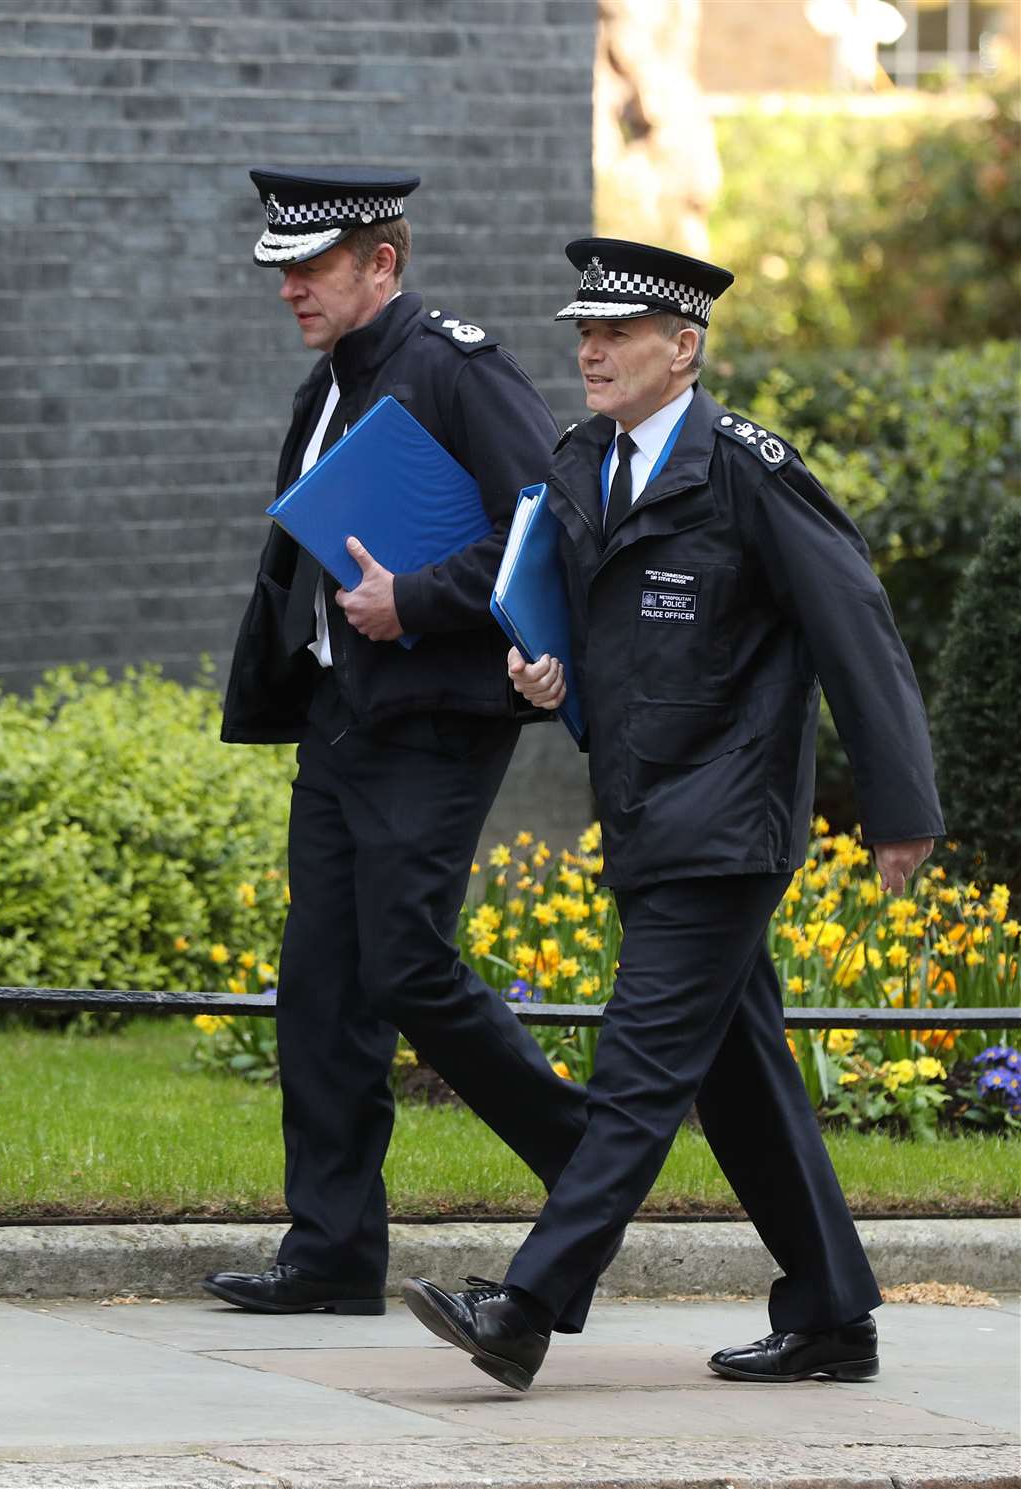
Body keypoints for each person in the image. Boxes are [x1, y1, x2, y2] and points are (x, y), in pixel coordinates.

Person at [403, 237, 945, 1389]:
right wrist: (548, 675)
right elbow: (590, 628)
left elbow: (856, 625)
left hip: (728, 816)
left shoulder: (746, 468)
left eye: (616, 335)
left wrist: (902, 804)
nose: (591, 351)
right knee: (740, 1074)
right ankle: (834, 1314)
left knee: (640, 1065)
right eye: (584, 334)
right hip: (646, 804)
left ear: (682, 348)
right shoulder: (581, 458)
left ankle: (528, 1303)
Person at [204, 168, 591, 1318]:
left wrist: (415, 601)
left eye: (312, 267)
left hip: (437, 721)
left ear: (384, 263)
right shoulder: (332, 382)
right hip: (344, 719)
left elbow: (552, 518)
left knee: (407, 963)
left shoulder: (452, 365)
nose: (290, 288)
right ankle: (330, 1253)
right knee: (320, 985)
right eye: (281, 268)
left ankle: (588, 1159)